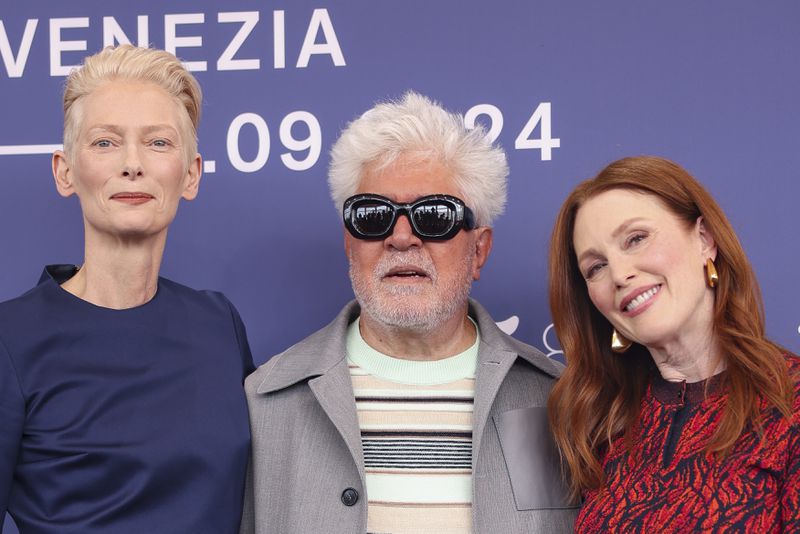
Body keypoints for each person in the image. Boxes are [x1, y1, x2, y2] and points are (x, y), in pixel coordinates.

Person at [240, 92, 576, 534]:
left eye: (434, 216)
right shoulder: (267, 402)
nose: (401, 238)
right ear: (349, 243)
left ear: (479, 250)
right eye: (373, 216)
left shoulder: (555, 404)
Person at [0, 45, 253, 533]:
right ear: (64, 171)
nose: (132, 164)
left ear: (192, 174)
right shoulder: (10, 340)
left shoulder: (219, 324)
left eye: (158, 143)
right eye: (105, 142)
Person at [547, 155, 799, 532]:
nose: (619, 274)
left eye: (636, 239)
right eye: (596, 267)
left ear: (704, 240)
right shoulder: (602, 426)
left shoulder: (788, 402)